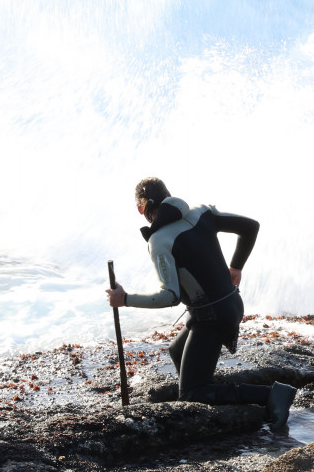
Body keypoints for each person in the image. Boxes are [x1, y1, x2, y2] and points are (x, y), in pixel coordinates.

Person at [106, 177, 296, 428]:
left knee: (191, 394)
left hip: (210, 317)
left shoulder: (159, 241)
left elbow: (170, 296)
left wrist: (126, 299)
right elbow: (251, 226)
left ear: (142, 209)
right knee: (177, 350)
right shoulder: (202, 211)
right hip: (231, 305)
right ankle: (202, 383)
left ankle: (271, 395)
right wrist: (236, 266)